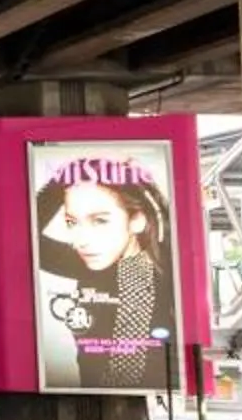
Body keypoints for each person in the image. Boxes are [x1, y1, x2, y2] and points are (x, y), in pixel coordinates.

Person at [32, 154, 178, 390]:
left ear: (137, 221)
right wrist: (66, 176)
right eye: (72, 222)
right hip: (97, 400)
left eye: (99, 221)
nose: (81, 240)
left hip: (159, 403)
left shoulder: (169, 266)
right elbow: (21, 233)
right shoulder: (89, 263)